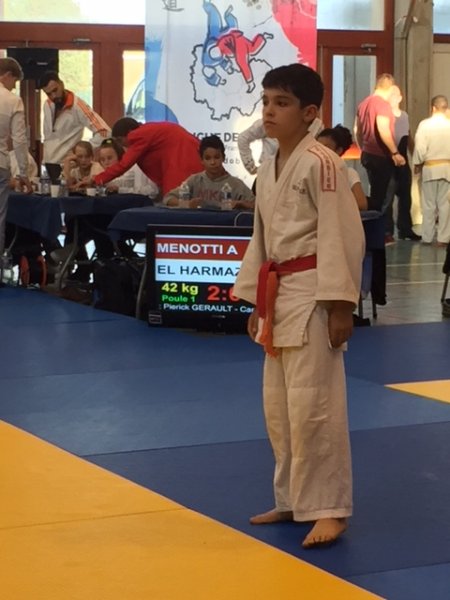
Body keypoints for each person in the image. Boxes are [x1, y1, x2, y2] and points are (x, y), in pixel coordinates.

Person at [233, 64, 365, 548]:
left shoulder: (322, 163)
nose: (269, 111)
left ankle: (329, 509)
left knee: (315, 407)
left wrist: (340, 305)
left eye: (282, 103)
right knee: (281, 408)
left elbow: (342, 234)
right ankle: (292, 499)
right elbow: (261, 238)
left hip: (313, 294)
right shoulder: (270, 166)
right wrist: (256, 302)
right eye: (266, 101)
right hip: (279, 292)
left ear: (309, 113)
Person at [87, 118, 203, 196]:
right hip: (189, 154)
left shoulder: (137, 135)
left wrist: (96, 180)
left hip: (183, 159)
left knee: (175, 199)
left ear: (130, 132)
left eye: (120, 140)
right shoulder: (147, 130)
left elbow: (124, 165)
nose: (121, 145)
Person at [354, 74, 405, 226]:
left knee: (375, 194)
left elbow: (357, 130)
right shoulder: (382, 105)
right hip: (380, 156)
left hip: (368, 154)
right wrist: (395, 152)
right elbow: (383, 129)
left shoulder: (364, 103)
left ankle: (375, 229)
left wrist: (362, 148)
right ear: (390, 87)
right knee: (383, 198)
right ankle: (381, 231)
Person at [163, 135, 254, 208]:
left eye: (217, 157)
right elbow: (168, 198)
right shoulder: (194, 181)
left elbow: (256, 204)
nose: (212, 162)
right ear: (201, 160)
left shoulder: (236, 184)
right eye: (208, 158)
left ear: (223, 158)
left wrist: (240, 204)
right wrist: (187, 204)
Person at [40, 71, 110, 165]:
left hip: (68, 165)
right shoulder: (47, 104)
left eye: (55, 90)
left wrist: (83, 150)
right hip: (48, 163)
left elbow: (105, 132)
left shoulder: (78, 106)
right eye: (48, 94)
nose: (53, 96)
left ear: (62, 84)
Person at [0, 57, 32, 257]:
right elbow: (19, 140)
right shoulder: (13, 100)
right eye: (15, 81)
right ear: (7, 75)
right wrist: (23, 173)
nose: (14, 87)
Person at [384, 86, 421, 241]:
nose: (392, 98)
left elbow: (408, 136)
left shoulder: (404, 116)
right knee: (388, 197)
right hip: (388, 160)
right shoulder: (384, 116)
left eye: (395, 95)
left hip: (403, 159)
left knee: (406, 197)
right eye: (390, 95)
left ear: (400, 98)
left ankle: (405, 228)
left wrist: (416, 157)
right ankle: (387, 230)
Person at [413, 95, 450, 246]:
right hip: (447, 169)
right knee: (445, 205)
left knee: (428, 205)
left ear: (433, 108)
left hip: (430, 168)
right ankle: (443, 238)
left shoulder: (425, 125)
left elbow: (420, 147)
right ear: (446, 108)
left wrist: (417, 162)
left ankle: (427, 237)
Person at [238, 116, 323, 175]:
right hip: (269, 176)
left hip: (299, 176)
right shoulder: (271, 121)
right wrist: (251, 167)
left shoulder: (317, 126)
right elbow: (243, 138)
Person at [317, 125, 368, 210]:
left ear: (338, 150)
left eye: (326, 148)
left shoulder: (348, 173)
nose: (320, 152)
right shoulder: (312, 170)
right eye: (318, 147)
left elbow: (361, 204)